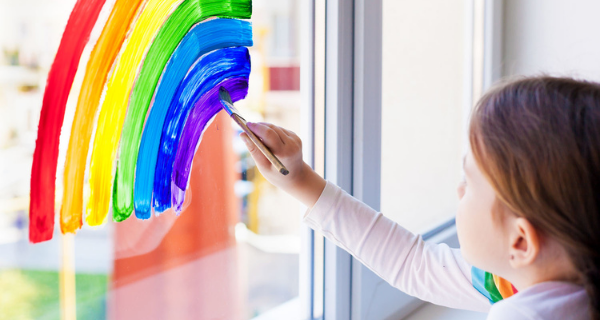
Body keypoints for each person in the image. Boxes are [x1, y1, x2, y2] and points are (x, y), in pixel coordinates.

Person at [239, 76, 599, 320]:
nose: (459, 191)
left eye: (469, 183)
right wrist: (300, 180)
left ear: (520, 241)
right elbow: (416, 266)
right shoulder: (544, 277)